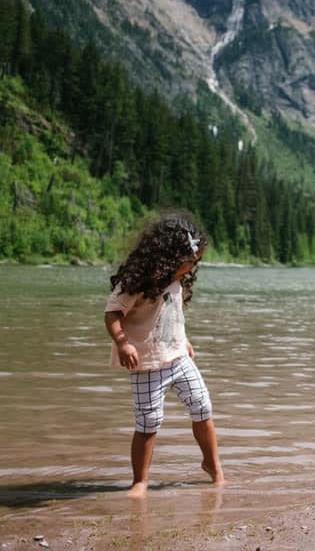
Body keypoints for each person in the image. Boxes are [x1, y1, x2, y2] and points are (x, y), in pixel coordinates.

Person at [104, 212, 225, 498]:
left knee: (202, 407)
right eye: (190, 262)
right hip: (146, 363)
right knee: (148, 423)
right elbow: (111, 314)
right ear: (170, 256)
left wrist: (185, 340)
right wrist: (123, 343)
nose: (191, 267)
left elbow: (172, 315)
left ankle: (213, 466)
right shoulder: (136, 281)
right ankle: (140, 481)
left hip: (179, 357)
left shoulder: (175, 279)